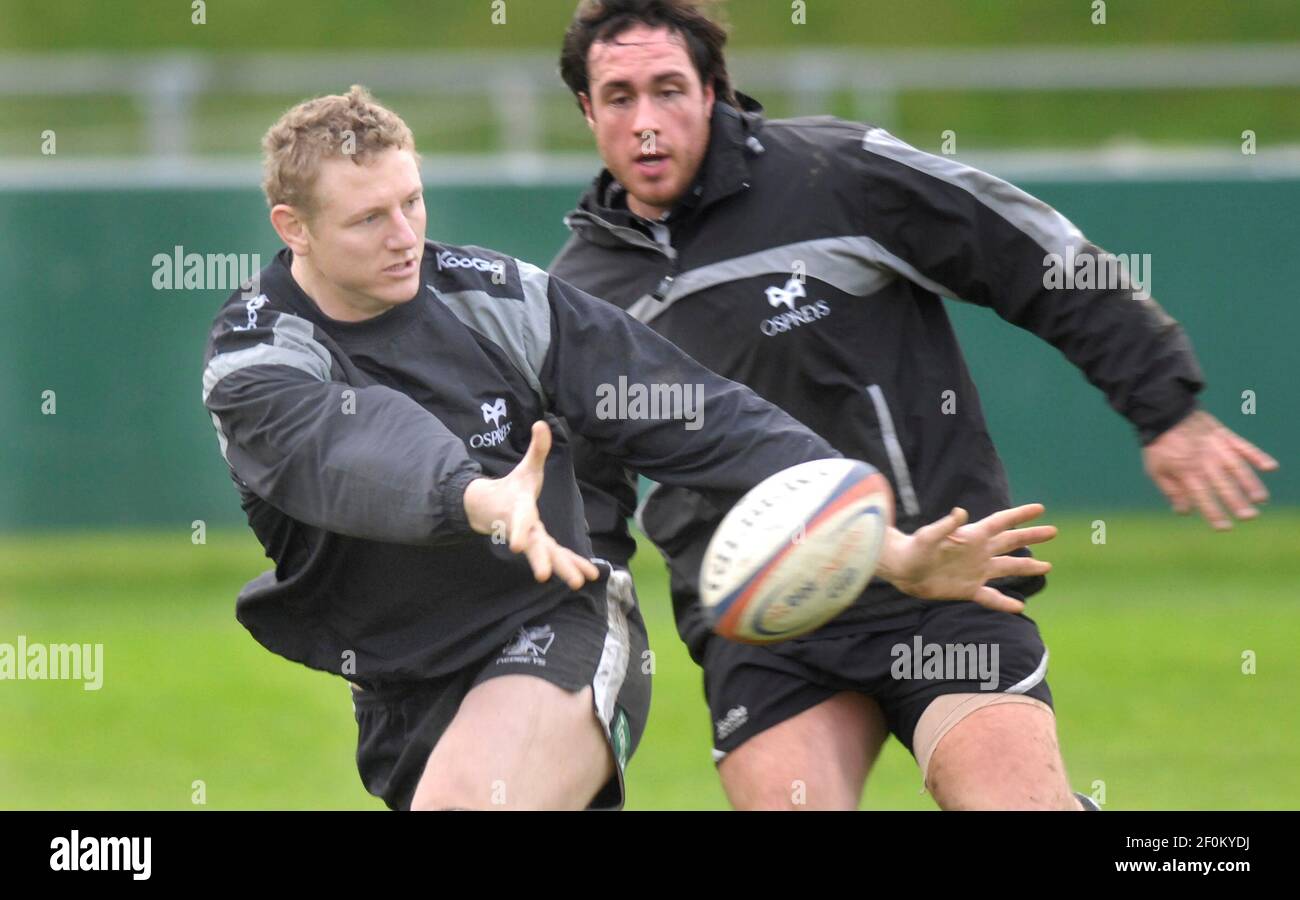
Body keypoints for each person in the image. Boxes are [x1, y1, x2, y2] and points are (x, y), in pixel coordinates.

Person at [201, 85, 1056, 811]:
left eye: (412, 201)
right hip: (398, 684)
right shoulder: (256, 362)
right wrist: (477, 495)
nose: (405, 236)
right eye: (368, 219)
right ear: (294, 227)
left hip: (550, 624)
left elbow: (702, 416)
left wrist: (886, 545)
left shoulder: (500, 300)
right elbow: (351, 445)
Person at [548, 0, 1279, 810]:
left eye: (669, 90)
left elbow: (1032, 252)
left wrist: (1162, 403)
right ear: (586, 108)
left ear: (714, 90)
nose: (647, 123)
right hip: (767, 618)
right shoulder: (581, 295)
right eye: (619, 98)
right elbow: (586, 507)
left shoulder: (836, 176)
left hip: (939, 582)